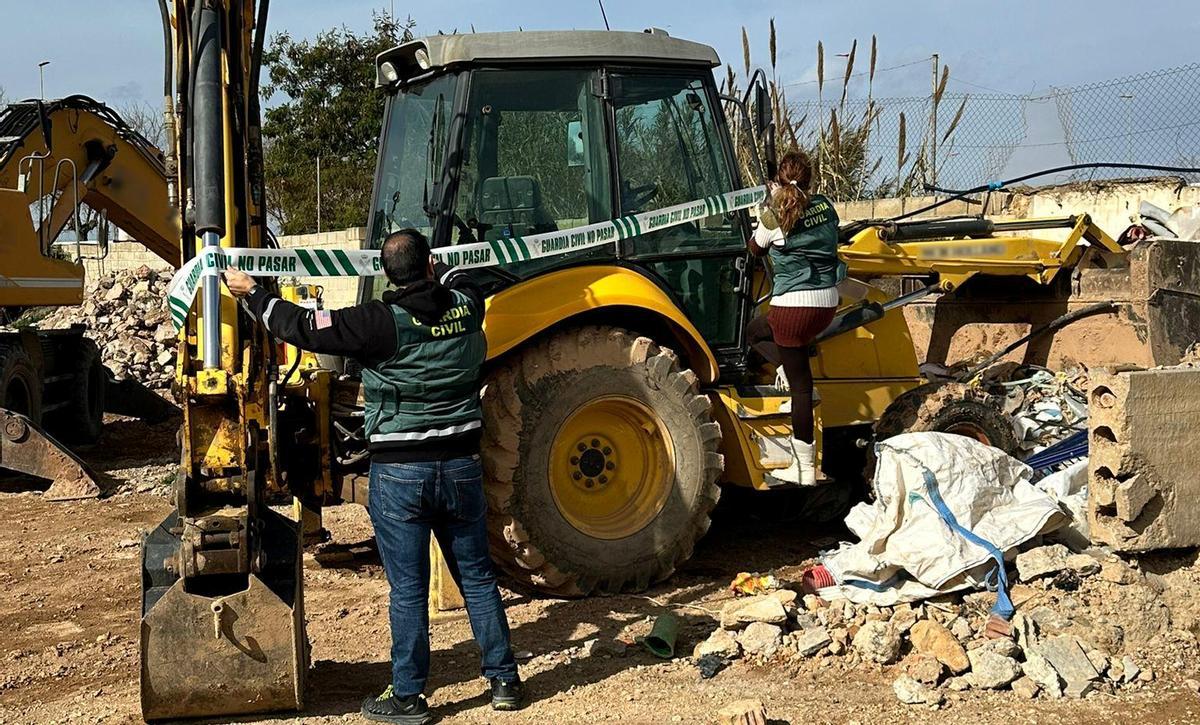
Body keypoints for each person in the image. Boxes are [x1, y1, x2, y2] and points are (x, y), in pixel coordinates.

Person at [222, 229, 523, 725]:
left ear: (386, 274)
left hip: (401, 474)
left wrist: (253, 294)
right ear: (430, 266)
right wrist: (443, 263)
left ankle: (409, 696)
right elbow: (464, 278)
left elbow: (301, 327)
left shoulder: (375, 322)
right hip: (461, 468)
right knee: (476, 577)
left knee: (408, 589)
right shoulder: (468, 307)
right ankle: (504, 680)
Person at [746, 151, 846, 486]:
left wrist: (772, 203)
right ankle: (787, 365)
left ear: (777, 181)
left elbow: (755, 249)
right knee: (771, 336)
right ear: (810, 180)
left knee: (798, 384)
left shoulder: (773, 215)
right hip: (826, 305)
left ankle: (803, 469)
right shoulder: (826, 206)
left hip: (792, 308)